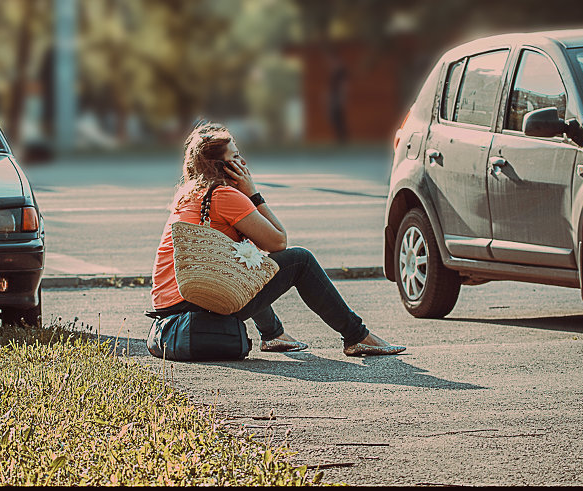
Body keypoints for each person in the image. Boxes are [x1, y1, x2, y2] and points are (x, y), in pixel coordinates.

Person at [149, 122, 405, 356]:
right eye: (236, 157)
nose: (244, 161)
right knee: (300, 260)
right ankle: (356, 336)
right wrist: (253, 194)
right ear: (223, 167)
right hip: (199, 306)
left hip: (173, 306)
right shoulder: (223, 196)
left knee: (245, 256)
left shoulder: (188, 195)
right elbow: (278, 241)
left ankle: (273, 334)